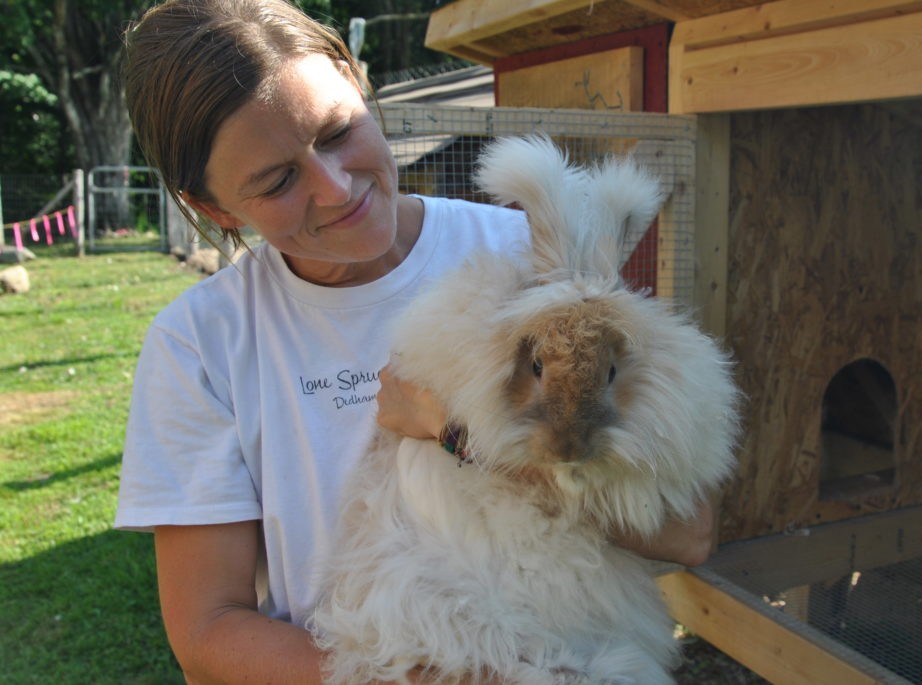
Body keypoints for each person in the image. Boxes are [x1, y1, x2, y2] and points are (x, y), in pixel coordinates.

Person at [113, 1, 716, 683]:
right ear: (214, 208)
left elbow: (688, 531)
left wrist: (453, 431)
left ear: (356, 79)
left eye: (338, 131)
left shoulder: (529, 258)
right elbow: (207, 630)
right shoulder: (200, 343)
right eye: (278, 181)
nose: (335, 188)